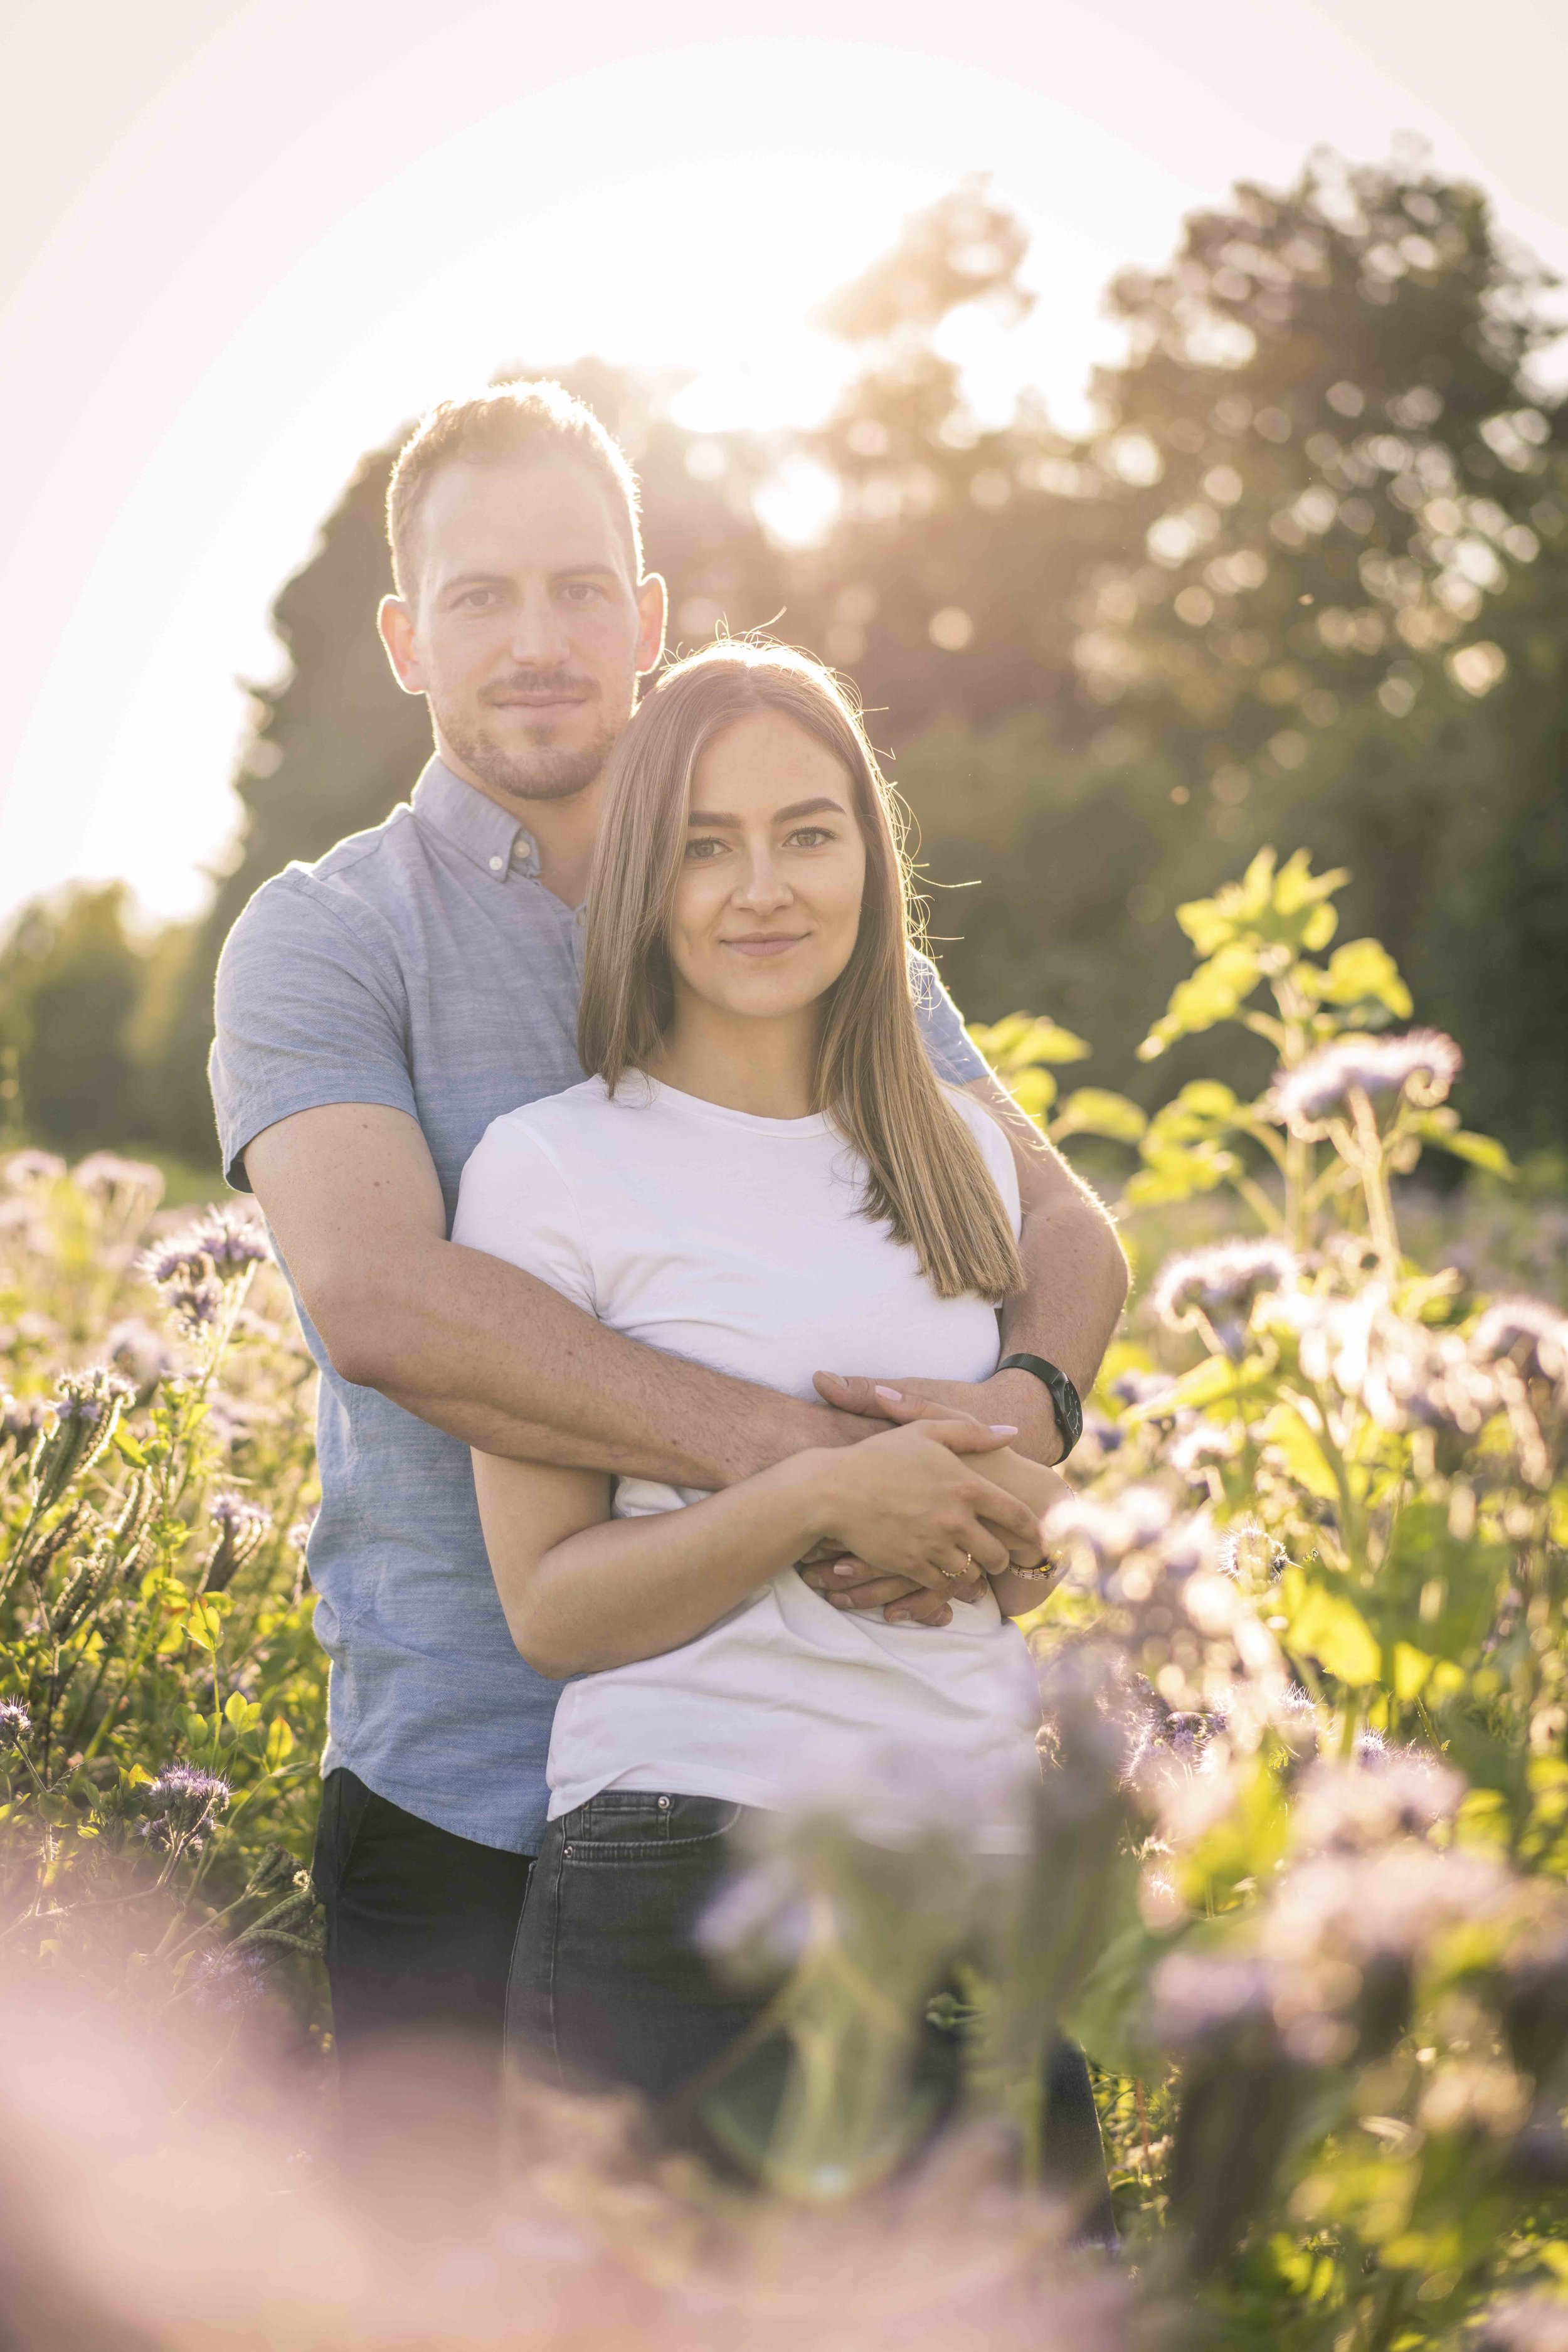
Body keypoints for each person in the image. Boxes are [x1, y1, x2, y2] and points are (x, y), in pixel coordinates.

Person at [208, 380, 1128, 2184]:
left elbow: (1058, 1228)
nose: (537, 641)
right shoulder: (327, 936)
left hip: (868, 1788)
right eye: (479, 598)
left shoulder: (781, 891)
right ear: (405, 638)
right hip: (468, 1784)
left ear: (645, 617)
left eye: (578, 588)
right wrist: (809, 1475)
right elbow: (383, 1296)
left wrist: (1012, 1428)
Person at [455, 640, 1106, 2203]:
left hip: (972, 1862)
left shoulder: (951, 1140)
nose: (762, 887)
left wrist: (1000, 1531)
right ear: (644, 883)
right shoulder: (550, 1167)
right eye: (703, 843)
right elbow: (550, 1609)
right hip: (691, 1860)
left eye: (806, 833)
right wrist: (818, 1498)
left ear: (871, 863)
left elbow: (1023, 1559)